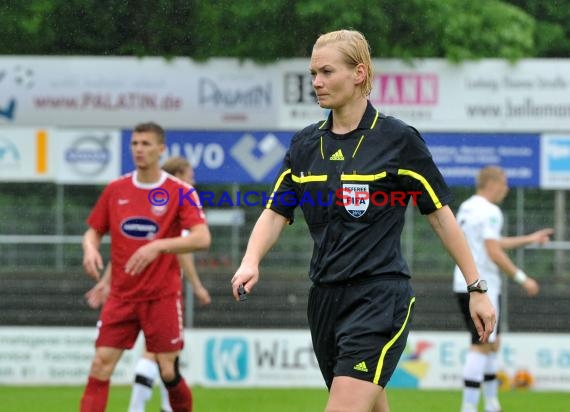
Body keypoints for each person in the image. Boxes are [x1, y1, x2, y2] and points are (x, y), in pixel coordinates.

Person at [231, 29, 496, 412]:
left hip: (378, 296)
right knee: (369, 405)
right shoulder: (305, 145)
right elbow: (276, 212)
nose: (316, 83)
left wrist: (477, 286)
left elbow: (440, 216)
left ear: (358, 74)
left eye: (326, 72)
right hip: (323, 297)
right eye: (312, 74)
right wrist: (250, 260)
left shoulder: (398, 139)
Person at [80, 122, 210, 412]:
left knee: (167, 370)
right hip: (121, 297)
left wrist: (158, 245)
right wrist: (90, 248)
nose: (139, 149)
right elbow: (93, 231)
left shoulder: (181, 191)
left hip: (161, 296)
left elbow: (202, 237)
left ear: (161, 149)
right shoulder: (116, 189)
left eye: (146, 144)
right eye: (135, 144)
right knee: (100, 364)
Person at [453, 166, 553, 412]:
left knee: (490, 343)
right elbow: (493, 251)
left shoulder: (467, 207)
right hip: (482, 287)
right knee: (481, 344)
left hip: (463, 281)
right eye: (504, 183)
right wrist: (522, 277)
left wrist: (529, 239)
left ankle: (492, 404)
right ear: (492, 184)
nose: (507, 189)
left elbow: (491, 243)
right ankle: (469, 407)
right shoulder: (490, 211)